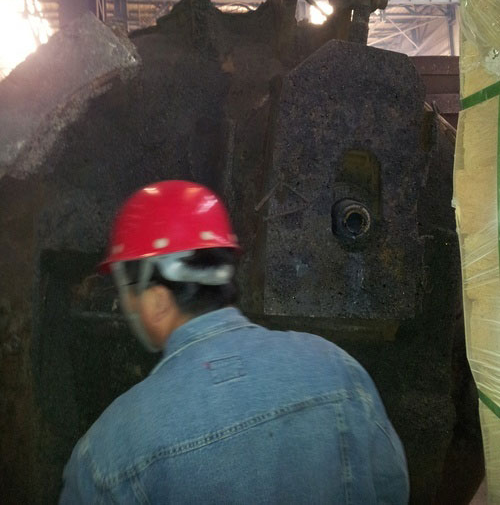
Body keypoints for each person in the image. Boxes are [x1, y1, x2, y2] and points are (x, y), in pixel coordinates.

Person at [60, 180, 409, 504]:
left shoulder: (108, 455)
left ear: (157, 301)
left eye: (126, 292)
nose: (126, 305)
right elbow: (391, 490)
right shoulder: (338, 371)